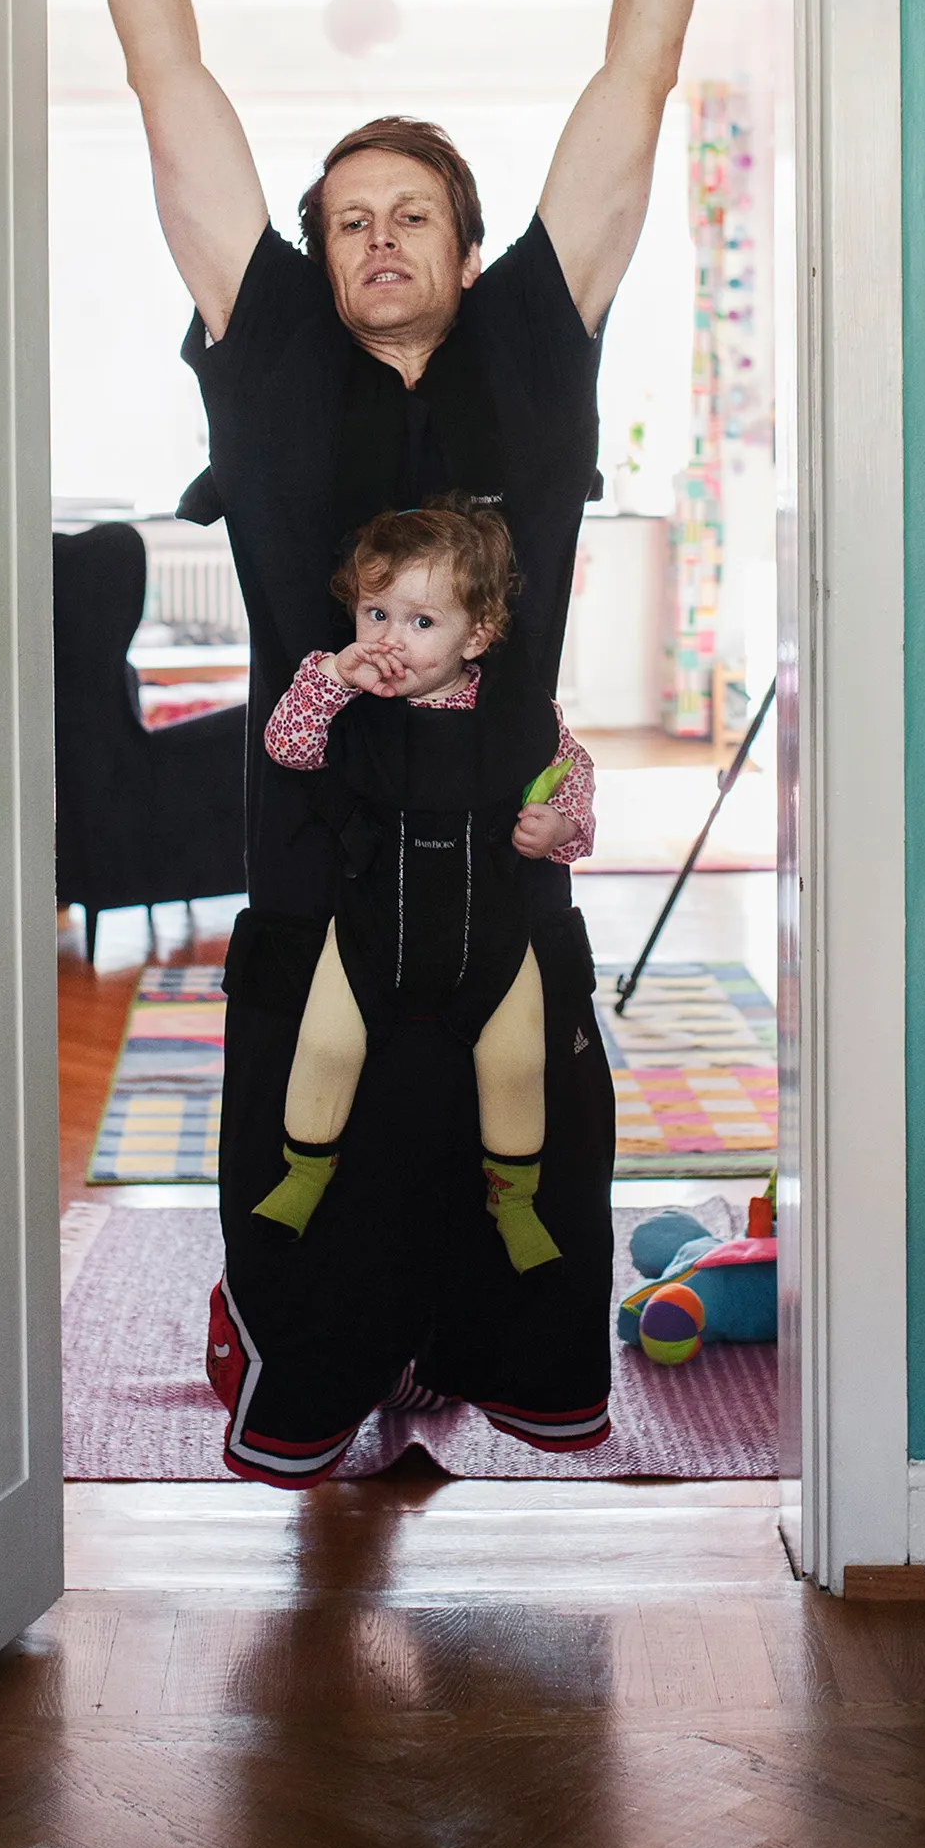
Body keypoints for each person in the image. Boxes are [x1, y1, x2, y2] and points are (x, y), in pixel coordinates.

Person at [53, 0, 751, 1484]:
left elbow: (635, 80)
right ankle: (326, 1379)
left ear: (465, 237)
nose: (377, 237)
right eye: (346, 213)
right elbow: (169, 87)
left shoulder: (536, 338)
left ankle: (474, 1368)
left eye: (411, 212)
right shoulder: (271, 347)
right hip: (318, 872)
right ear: (313, 247)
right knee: (320, 1173)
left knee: (527, 1158)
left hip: (508, 869)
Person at [255, 498, 596, 1271]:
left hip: (491, 934)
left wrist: (562, 828)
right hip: (373, 923)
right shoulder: (344, 694)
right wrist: (334, 675)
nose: (389, 640)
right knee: (326, 1043)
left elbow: (569, 771)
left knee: (514, 1065)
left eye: (420, 622)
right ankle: (304, 1174)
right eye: (375, 613)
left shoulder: (515, 713)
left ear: (475, 636)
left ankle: (514, 1201)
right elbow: (287, 748)